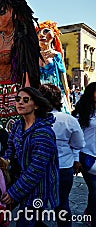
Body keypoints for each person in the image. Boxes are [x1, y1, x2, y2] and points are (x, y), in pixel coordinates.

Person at [0, 0, 41, 131]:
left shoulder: (24, 39)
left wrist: (26, 99)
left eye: (1, 12)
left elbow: (29, 71)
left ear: (15, 14)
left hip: (17, 101)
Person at [0, 87, 59, 226]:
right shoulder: (18, 125)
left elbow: (36, 170)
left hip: (38, 189)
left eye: (26, 100)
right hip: (19, 180)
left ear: (36, 105)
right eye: (18, 99)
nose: (20, 103)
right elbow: (10, 148)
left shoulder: (43, 133)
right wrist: (5, 163)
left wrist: (14, 192)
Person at [40, 83, 85, 227]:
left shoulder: (33, 119)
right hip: (63, 166)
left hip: (39, 168)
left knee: (37, 204)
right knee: (62, 203)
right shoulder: (68, 120)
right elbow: (79, 144)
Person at [72, 82, 96, 227]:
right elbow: (75, 137)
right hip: (87, 156)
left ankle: (89, 211)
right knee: (94, 189)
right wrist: (76, 159)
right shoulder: (83, 112)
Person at [37, 20, 72, 113]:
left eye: (46, 31)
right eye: (38, 32)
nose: (41, 34)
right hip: (40, 98)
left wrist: (68, 103)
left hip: (56, 97)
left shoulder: (57, 55)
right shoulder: (33, 56)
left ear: (53, 36)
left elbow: (64, 81)